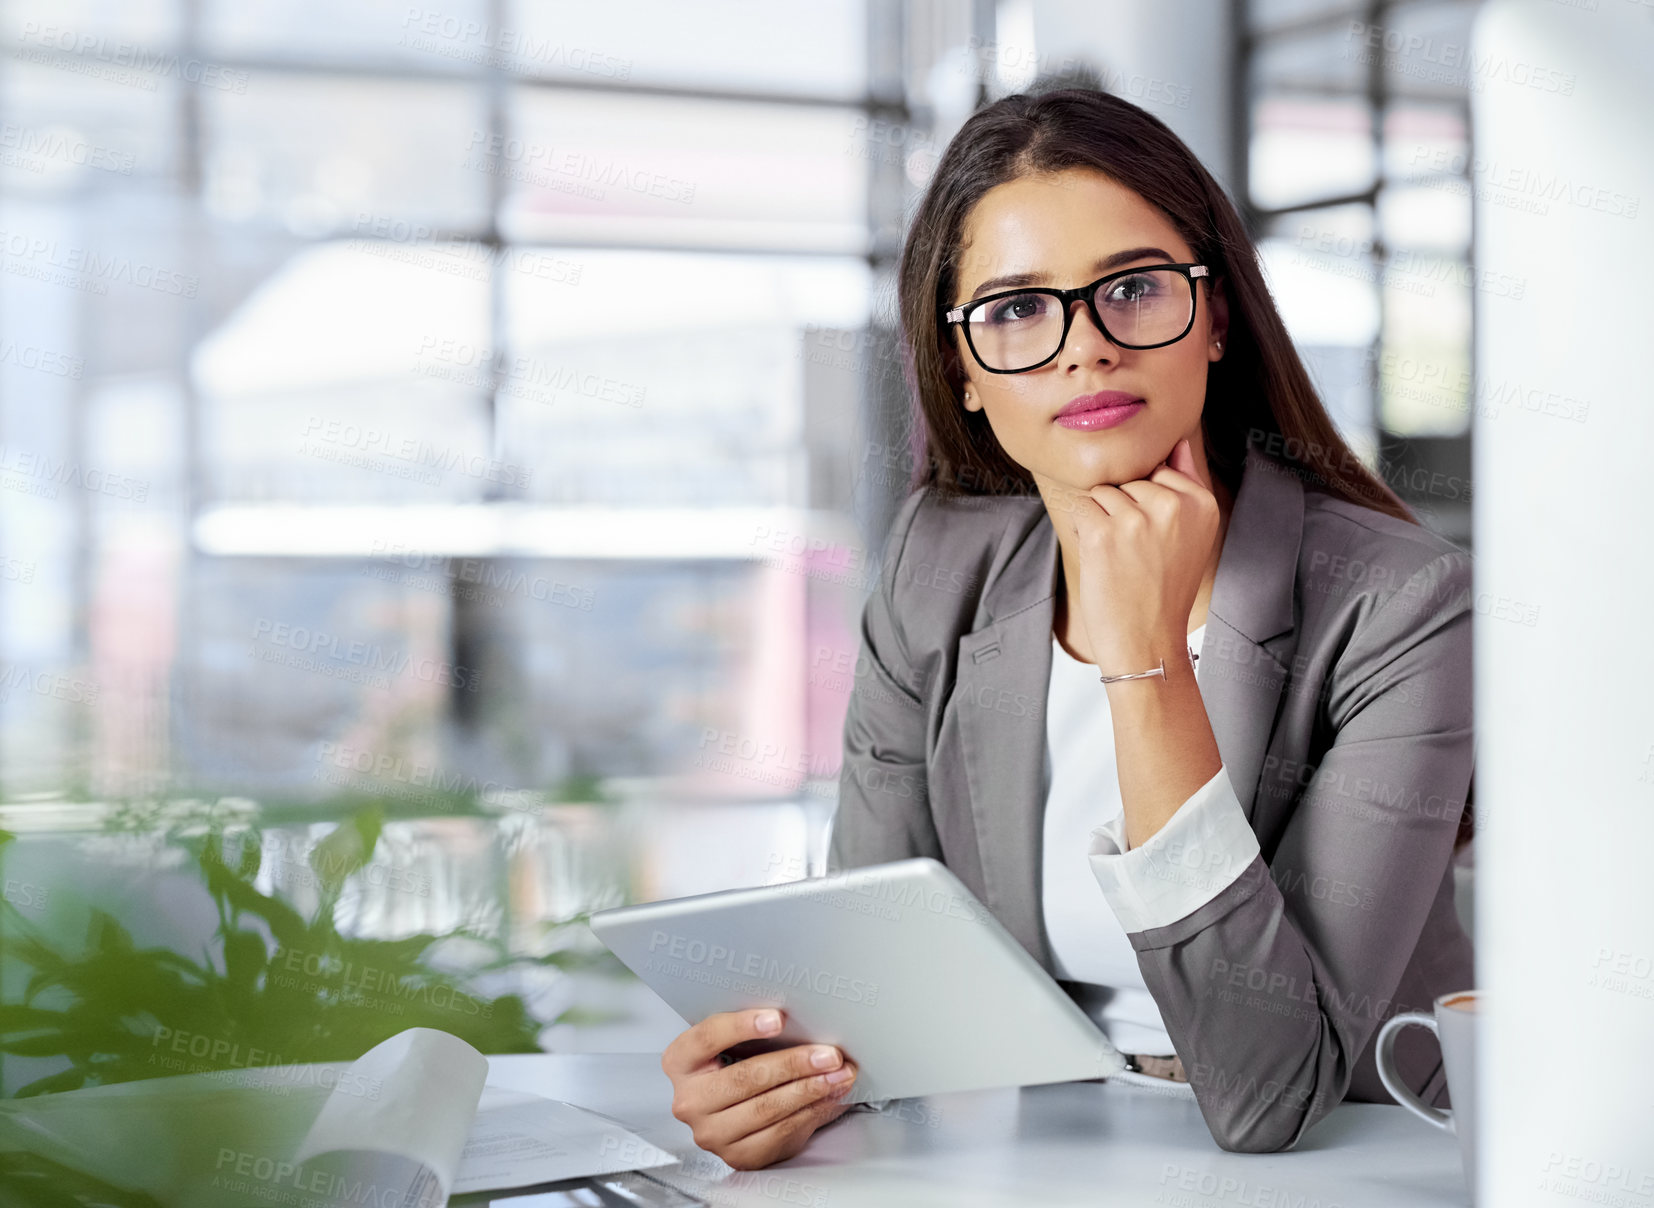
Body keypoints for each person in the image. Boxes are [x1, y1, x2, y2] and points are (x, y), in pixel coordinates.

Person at [661, 85, 1474, 1170]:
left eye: (1131, 289)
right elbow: (867, 988)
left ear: (1216, 316)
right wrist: (773, 1083)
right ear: (960, 367)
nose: (1082, 349)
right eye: (1013, 310)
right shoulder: (938, 566)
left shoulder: (1399, 601)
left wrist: (1144, 662)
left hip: (1360, 1156)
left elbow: (1271, 1088)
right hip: (1043, 1144)